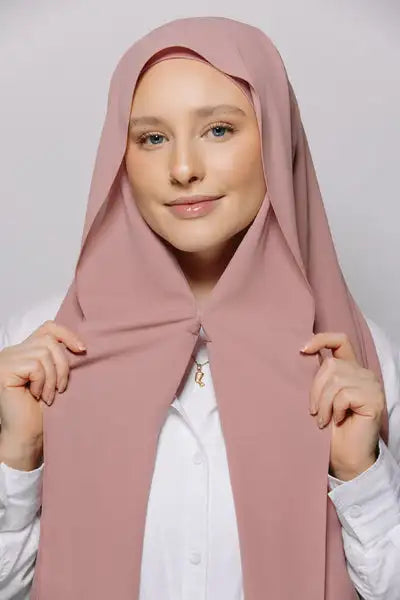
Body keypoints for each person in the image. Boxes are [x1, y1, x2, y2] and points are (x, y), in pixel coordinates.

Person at [0, 15, 399, 600]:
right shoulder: (43, 346)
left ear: (276, 139)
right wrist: (18, 453)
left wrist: (360, 475)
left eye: (218, 129)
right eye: (152, 138)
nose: (183, 169)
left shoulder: (357, 360)